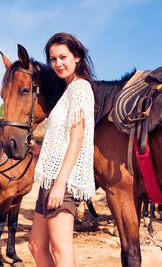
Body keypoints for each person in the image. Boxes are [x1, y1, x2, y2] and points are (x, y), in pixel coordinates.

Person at [28, 32, 95, 266]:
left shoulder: (80, 89)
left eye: (63, 57)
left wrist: (60, 183)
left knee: (61, 249)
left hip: (62, 182)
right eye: (53, 59)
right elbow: (64, 138)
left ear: (77, 57)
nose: (58, 63)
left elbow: (77, 139)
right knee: (36, 245)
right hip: (52, 178)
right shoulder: (68, 90)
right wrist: (40, 149)